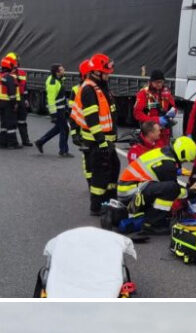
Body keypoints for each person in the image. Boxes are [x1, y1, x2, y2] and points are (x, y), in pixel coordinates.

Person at [115, 136, 196, 234]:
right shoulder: (167, 164)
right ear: (182, 154)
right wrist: (191, 191)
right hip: (130, 192)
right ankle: (152, 224)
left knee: (166, 188)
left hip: (129, 188)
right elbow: (175, 190)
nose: (184, 162)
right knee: (172, 188)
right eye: (185, 160)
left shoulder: (163, 153)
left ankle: (151, 215)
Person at [75, 53, 119, 215]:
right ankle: (97, 206)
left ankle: (110, 200)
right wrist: (101, 141)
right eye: (106, 73)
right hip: (97, 141)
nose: (108, 75)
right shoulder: (89, 89)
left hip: (106, 140)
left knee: (113, 170)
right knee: (100, 175)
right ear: (96, 72)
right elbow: (92, 120)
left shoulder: (100, 86)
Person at [35, 63, 72, 156]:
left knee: (58, 128)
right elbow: (51, 100)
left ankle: (40, 142)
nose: (64, 70)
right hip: (57, 111)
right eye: (62, 69)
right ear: (57, 72)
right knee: (64, 129)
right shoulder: (53, 82)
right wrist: (53, 115)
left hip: (61, 109)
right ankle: (63, 151)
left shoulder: (58, 79)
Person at [133, 70, 176, 148]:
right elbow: (137, 113)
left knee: (165, 152)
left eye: (161, 82)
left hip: (164, 132)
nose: (159, 84)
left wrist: (172, 113)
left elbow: (173, 107)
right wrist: (156, 120)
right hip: (150, 131)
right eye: (157, 82)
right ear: (151, 82)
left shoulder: (166, 92)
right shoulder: (144, 93)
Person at [69, 60, 93, 191]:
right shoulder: (76, 90)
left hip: (101, 132)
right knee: (88, 159)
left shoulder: (101, 88)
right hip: (85, 131)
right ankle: (91, 182)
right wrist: (74, 133)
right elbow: (73, 115)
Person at [0, 55, 21, 149]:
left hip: (0, 102)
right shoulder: (9, 77)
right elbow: (12, 92)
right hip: (8, 102)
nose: (14, 67)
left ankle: (2, 143)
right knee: (11, 123)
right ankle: (12, 143)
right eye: (13, 65)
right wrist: (15, 103)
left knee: (4, 123)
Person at [7, 52, 33, 146]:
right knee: (11, 122)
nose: (17, 63)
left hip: (21, 98)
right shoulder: (5, 74)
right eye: (16, 61)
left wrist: (26, 99)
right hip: (11, 100)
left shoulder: (22, 73)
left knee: (22, 121)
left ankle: (25, 140)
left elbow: (24, 87)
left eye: (17, 61)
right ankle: (11, 141)